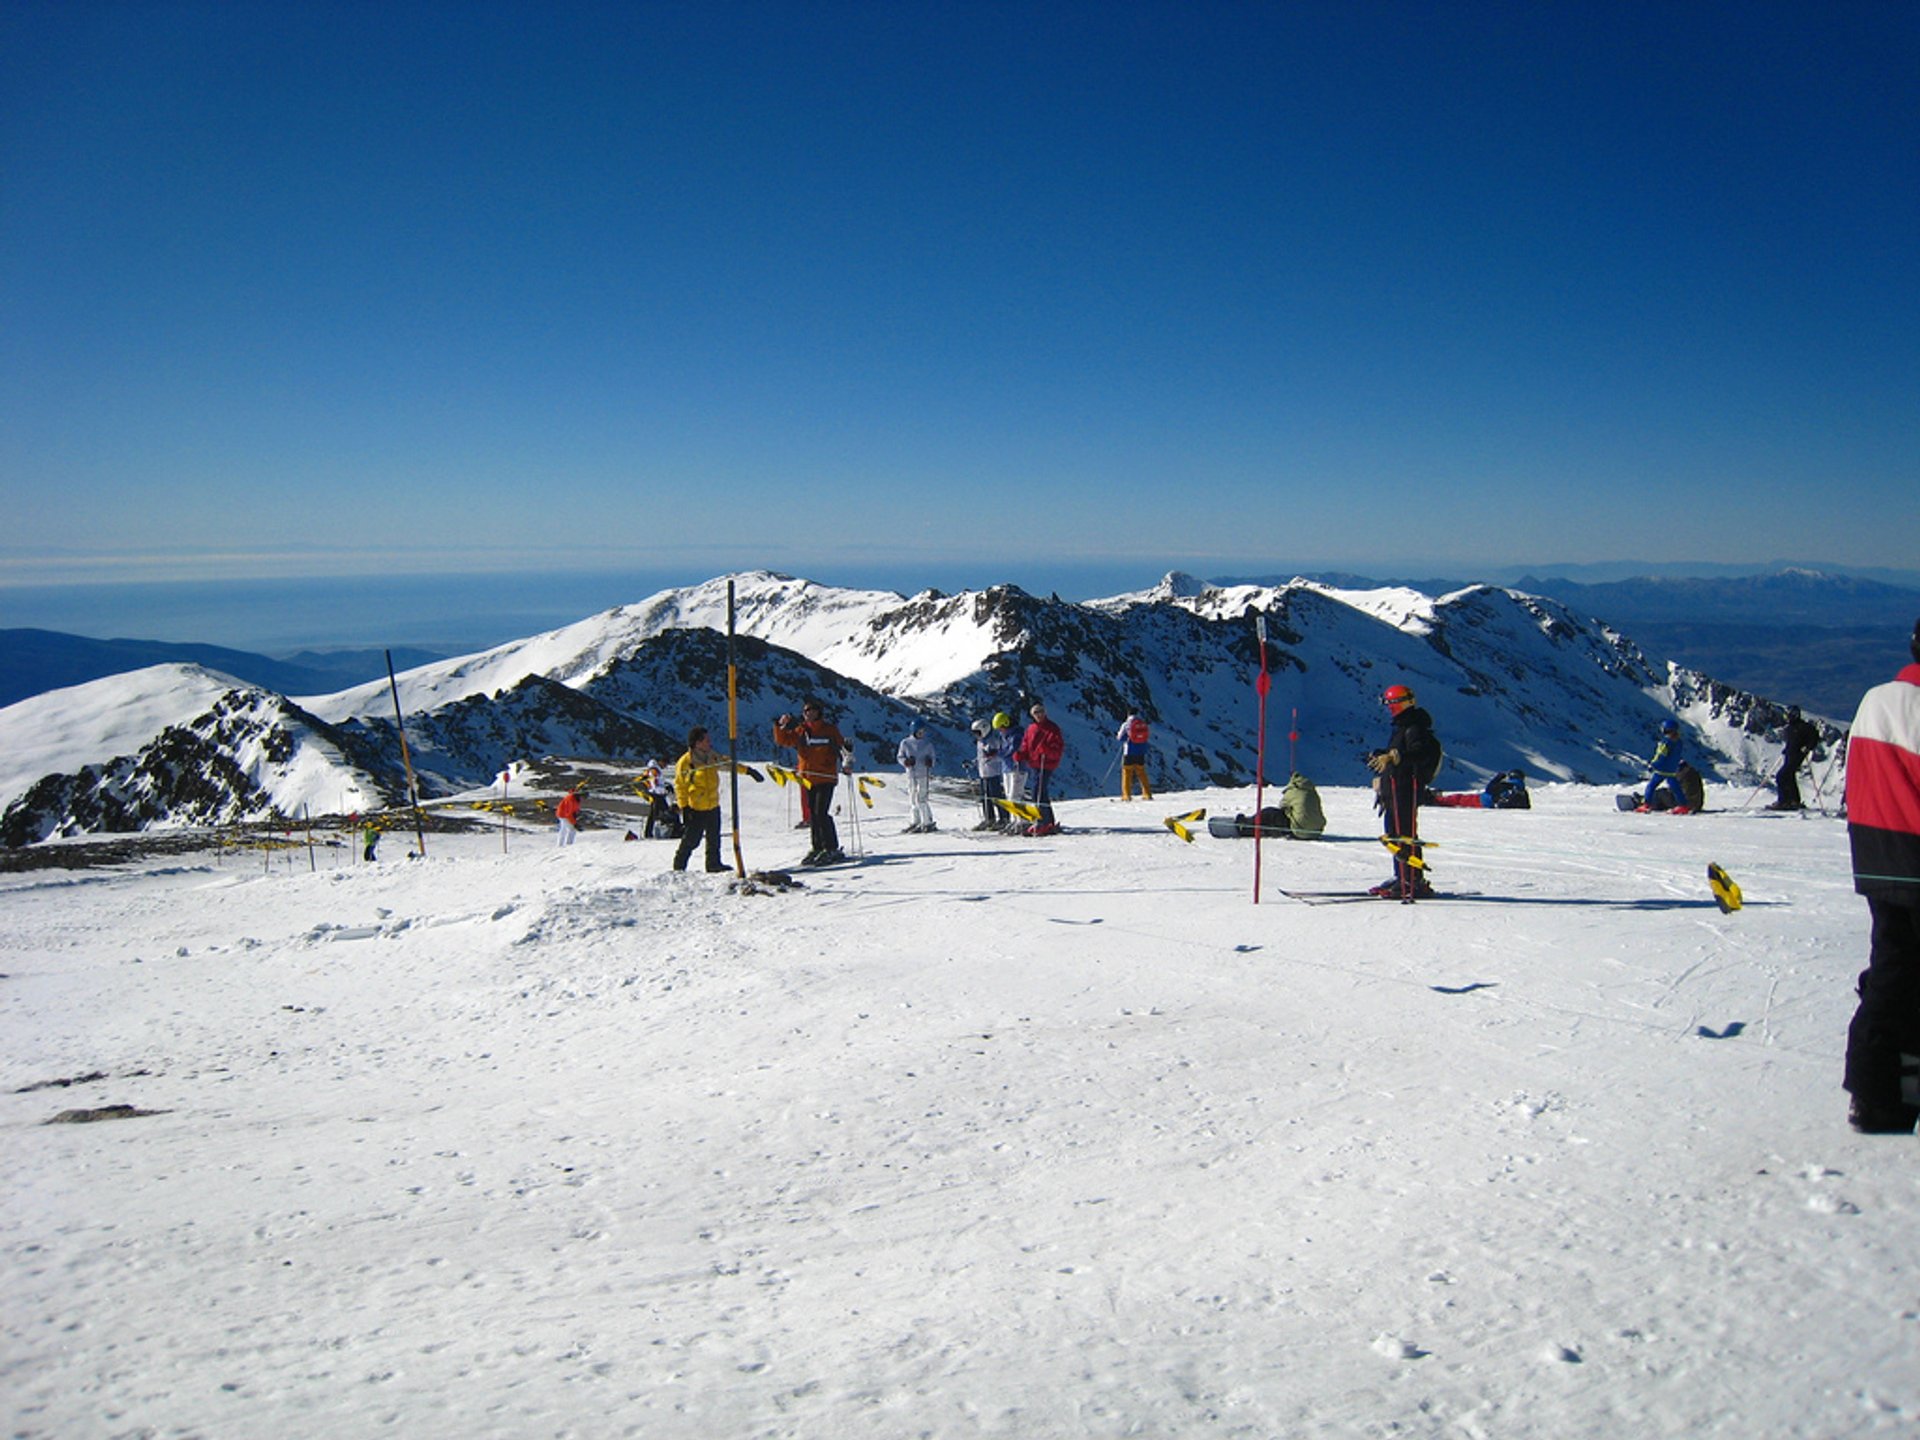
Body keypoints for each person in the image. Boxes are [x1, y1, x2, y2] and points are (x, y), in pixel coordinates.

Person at [1841, 619, 1920, 1134]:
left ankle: (1886, 1095)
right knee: (1900, 976)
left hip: (1878, 853)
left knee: (1897, 972)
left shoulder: (1878, 699)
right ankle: (1882, 1094)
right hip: (1913, 851)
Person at [1366, 683, 1442, 898]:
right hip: (1395, 788)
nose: (1391, 708)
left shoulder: (1414, 727)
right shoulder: (1404, 727)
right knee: (1395, 834)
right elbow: (1401, 753)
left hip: (1405, 789)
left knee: (1403, 835)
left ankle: (1411, 879)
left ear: (1406, 702)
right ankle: (1404, 875)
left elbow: (1420, 755)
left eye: (1394, 703)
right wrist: (1384, 755)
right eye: (1388, 703)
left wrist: (1395, 757)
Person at [774, 697, 852, 864]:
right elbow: (784, 740)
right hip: (808, 778)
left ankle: (831, 848)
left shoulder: (829, 730)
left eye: (812, 711)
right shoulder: (801, 731)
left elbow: (842, 747)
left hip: (826, 776)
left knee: (820, 812)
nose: (808, 714)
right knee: (814, 815)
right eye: (806, 711)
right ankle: (817, 847)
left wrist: (847, 763)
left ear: (818, 713)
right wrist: (780, 727)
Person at [672, 727, 734, 873]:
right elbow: (680, 786)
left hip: (713, 804)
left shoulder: (712, 756)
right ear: (697, 743)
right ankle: (679, 866)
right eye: (706, 740)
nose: (709, 743)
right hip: (696, 808)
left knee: (714, 838)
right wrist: (684, 807)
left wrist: (748, 771)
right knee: (692, 840)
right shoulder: (686, 762)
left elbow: (727, 764)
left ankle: (713, 864)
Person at [1015, 701, 1066, 835]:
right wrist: (1021, 754)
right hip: (1035, 764)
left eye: (1041, 712)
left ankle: (1042, 821)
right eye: (1036, 713)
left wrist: (1046, 751)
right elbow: (1026, 745)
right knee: (1041, 793)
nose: (1039, 715)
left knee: (1037, 792)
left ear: (1045, 713)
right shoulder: (1031, 728)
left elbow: (1057, 749)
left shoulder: (1052, 728)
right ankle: (1048, 821)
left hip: (1046, 764)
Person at [1770, 706, 1822, 811]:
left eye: (1788, 715)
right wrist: (1787, 749)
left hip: (1797, 755)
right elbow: (1792, 742)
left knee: (1781, 776)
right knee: (1789, 777)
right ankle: (1793, 801)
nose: (1787, 718)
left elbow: (1814, 737)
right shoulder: (1790, 728)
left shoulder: (1803, 727)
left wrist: (1807, 747)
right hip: (1790, 755)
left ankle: (1784, 801)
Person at [1640, 719, 1689, 813]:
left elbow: (1661, 756)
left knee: (1651, 786)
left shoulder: (1665, 742)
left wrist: (1653, 765)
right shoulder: (1679, 742)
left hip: (1662, 769)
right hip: (1672, 769)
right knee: (1675, 787)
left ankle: (1646, 804)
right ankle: (1683, 805)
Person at [897, 723, 937, 832]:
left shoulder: (927, 744)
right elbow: (900, 756)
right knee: (912, 798)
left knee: (921, 798)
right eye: (919, 732)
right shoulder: (905, 743)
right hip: (911, 774)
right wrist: (906, 762)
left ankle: (927, 821)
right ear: (913, 731)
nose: (921, 734)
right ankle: (915, 821)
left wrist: (930, 762)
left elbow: (933, 757)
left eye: (923, 732)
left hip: (923, 774)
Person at [971, 719, 1010, 830]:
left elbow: (1000, 756)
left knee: (996, 796)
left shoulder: (993, 741)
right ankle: (989, 818)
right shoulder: (980, 742)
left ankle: (1004, 818)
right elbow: (980, 757)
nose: (976, 736)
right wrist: (973, 763)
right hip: (983, 773)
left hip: (993, 773)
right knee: (985, 797)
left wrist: (993, 756)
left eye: (978, 732)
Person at [1116, 713, 1153, 800]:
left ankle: (1126, 795)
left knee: (1127, 773)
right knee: (1142, 772)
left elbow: (1120, 738)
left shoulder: (1126, 724)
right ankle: (1147, 794)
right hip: (1141, 752)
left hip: (1129, 752)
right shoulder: (1142, 723)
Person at [996, 711, 1027, 812]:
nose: (1000, 730)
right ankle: (1015, 821)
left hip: (1017, 767)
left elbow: (1012, 750)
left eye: (1001, 727)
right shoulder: (1003, 736)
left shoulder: (1016, 735)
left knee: (1016, 796)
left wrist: (998, 754)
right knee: (1009, 797)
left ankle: (1022, 821)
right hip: (1006, 768)